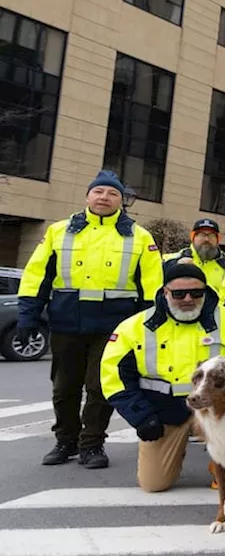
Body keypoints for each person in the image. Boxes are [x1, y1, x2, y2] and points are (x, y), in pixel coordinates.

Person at [18, 170, 164, 469]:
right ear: (88, 196)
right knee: (64, 387)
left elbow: (153, 286)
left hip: (114, 326)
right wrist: (27, 316)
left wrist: (152, 325)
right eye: (99, 192)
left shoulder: (139, 236)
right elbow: (37, 276)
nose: (104, 198)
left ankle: (92, 445)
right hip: (66, 321)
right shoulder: (59, 231)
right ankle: (65, 441)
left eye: (112, 194)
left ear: (122, 202)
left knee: (100, 387)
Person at [100, 263, 225, 491]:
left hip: (217, 411)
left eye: (196, 293)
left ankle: (221, 463)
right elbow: (113, 376)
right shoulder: (134, 327)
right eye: (178, 293)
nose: (188, 298)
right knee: (153, 485)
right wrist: (142, 417)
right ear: (165, 292)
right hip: (164, 411)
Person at [164, 219, 225, 301]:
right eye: (201, 235)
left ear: (218, 239)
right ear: (193, 237)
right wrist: (175, 267)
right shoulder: (170, 260)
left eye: (211, 235)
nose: (206, 239)